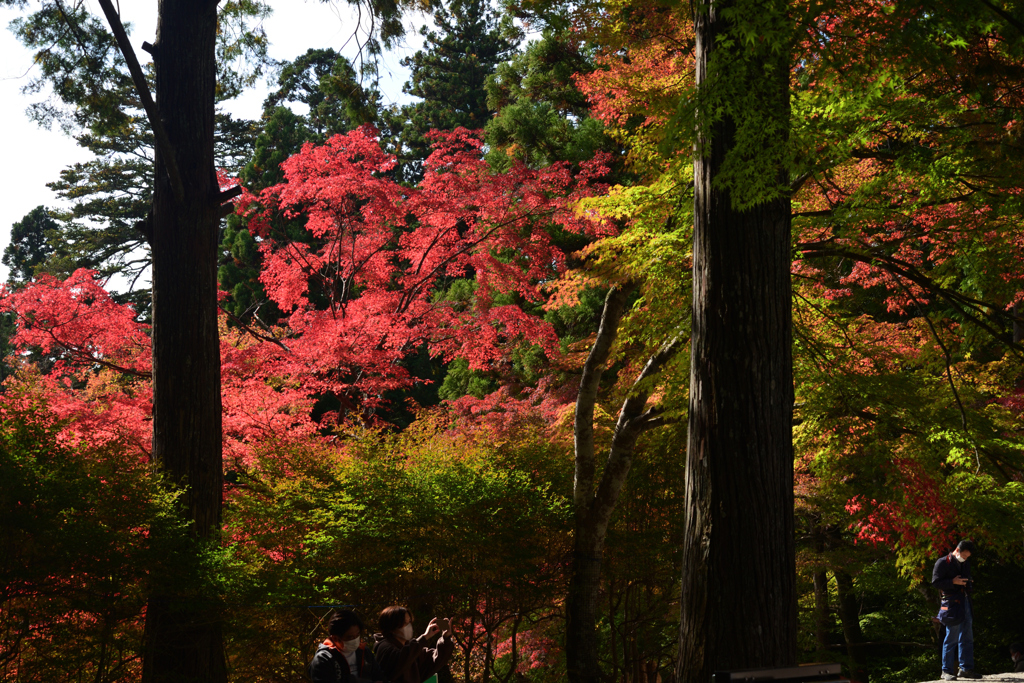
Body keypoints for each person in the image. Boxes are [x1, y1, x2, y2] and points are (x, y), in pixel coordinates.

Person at [933, 540, 978, 681]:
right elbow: (935, 582)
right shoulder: (942, 562)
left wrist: (968, 582)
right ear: (957, 550)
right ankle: (946, 670)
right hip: (951, 603)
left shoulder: (965, 563)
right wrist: (952, 582)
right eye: (964, 555)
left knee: (967, 637)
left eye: (967, 557)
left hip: (965, 601)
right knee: (951, 637)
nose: (965, 558)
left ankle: (966, 669)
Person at [373, 605, 454, 683]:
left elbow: (434, 660)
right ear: (391, 626)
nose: (409, 626)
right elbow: (401, 660)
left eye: (409, 622)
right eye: (405, 623)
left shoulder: (410, 648)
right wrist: (424, 637)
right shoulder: (384, 647)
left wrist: (446, 638)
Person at [309, 609, 387, 683]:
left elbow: (379, 676)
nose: (355, 639)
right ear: (335, 638)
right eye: (350, 637)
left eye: (357, 635)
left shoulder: (364, 652)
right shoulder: (324, 659)